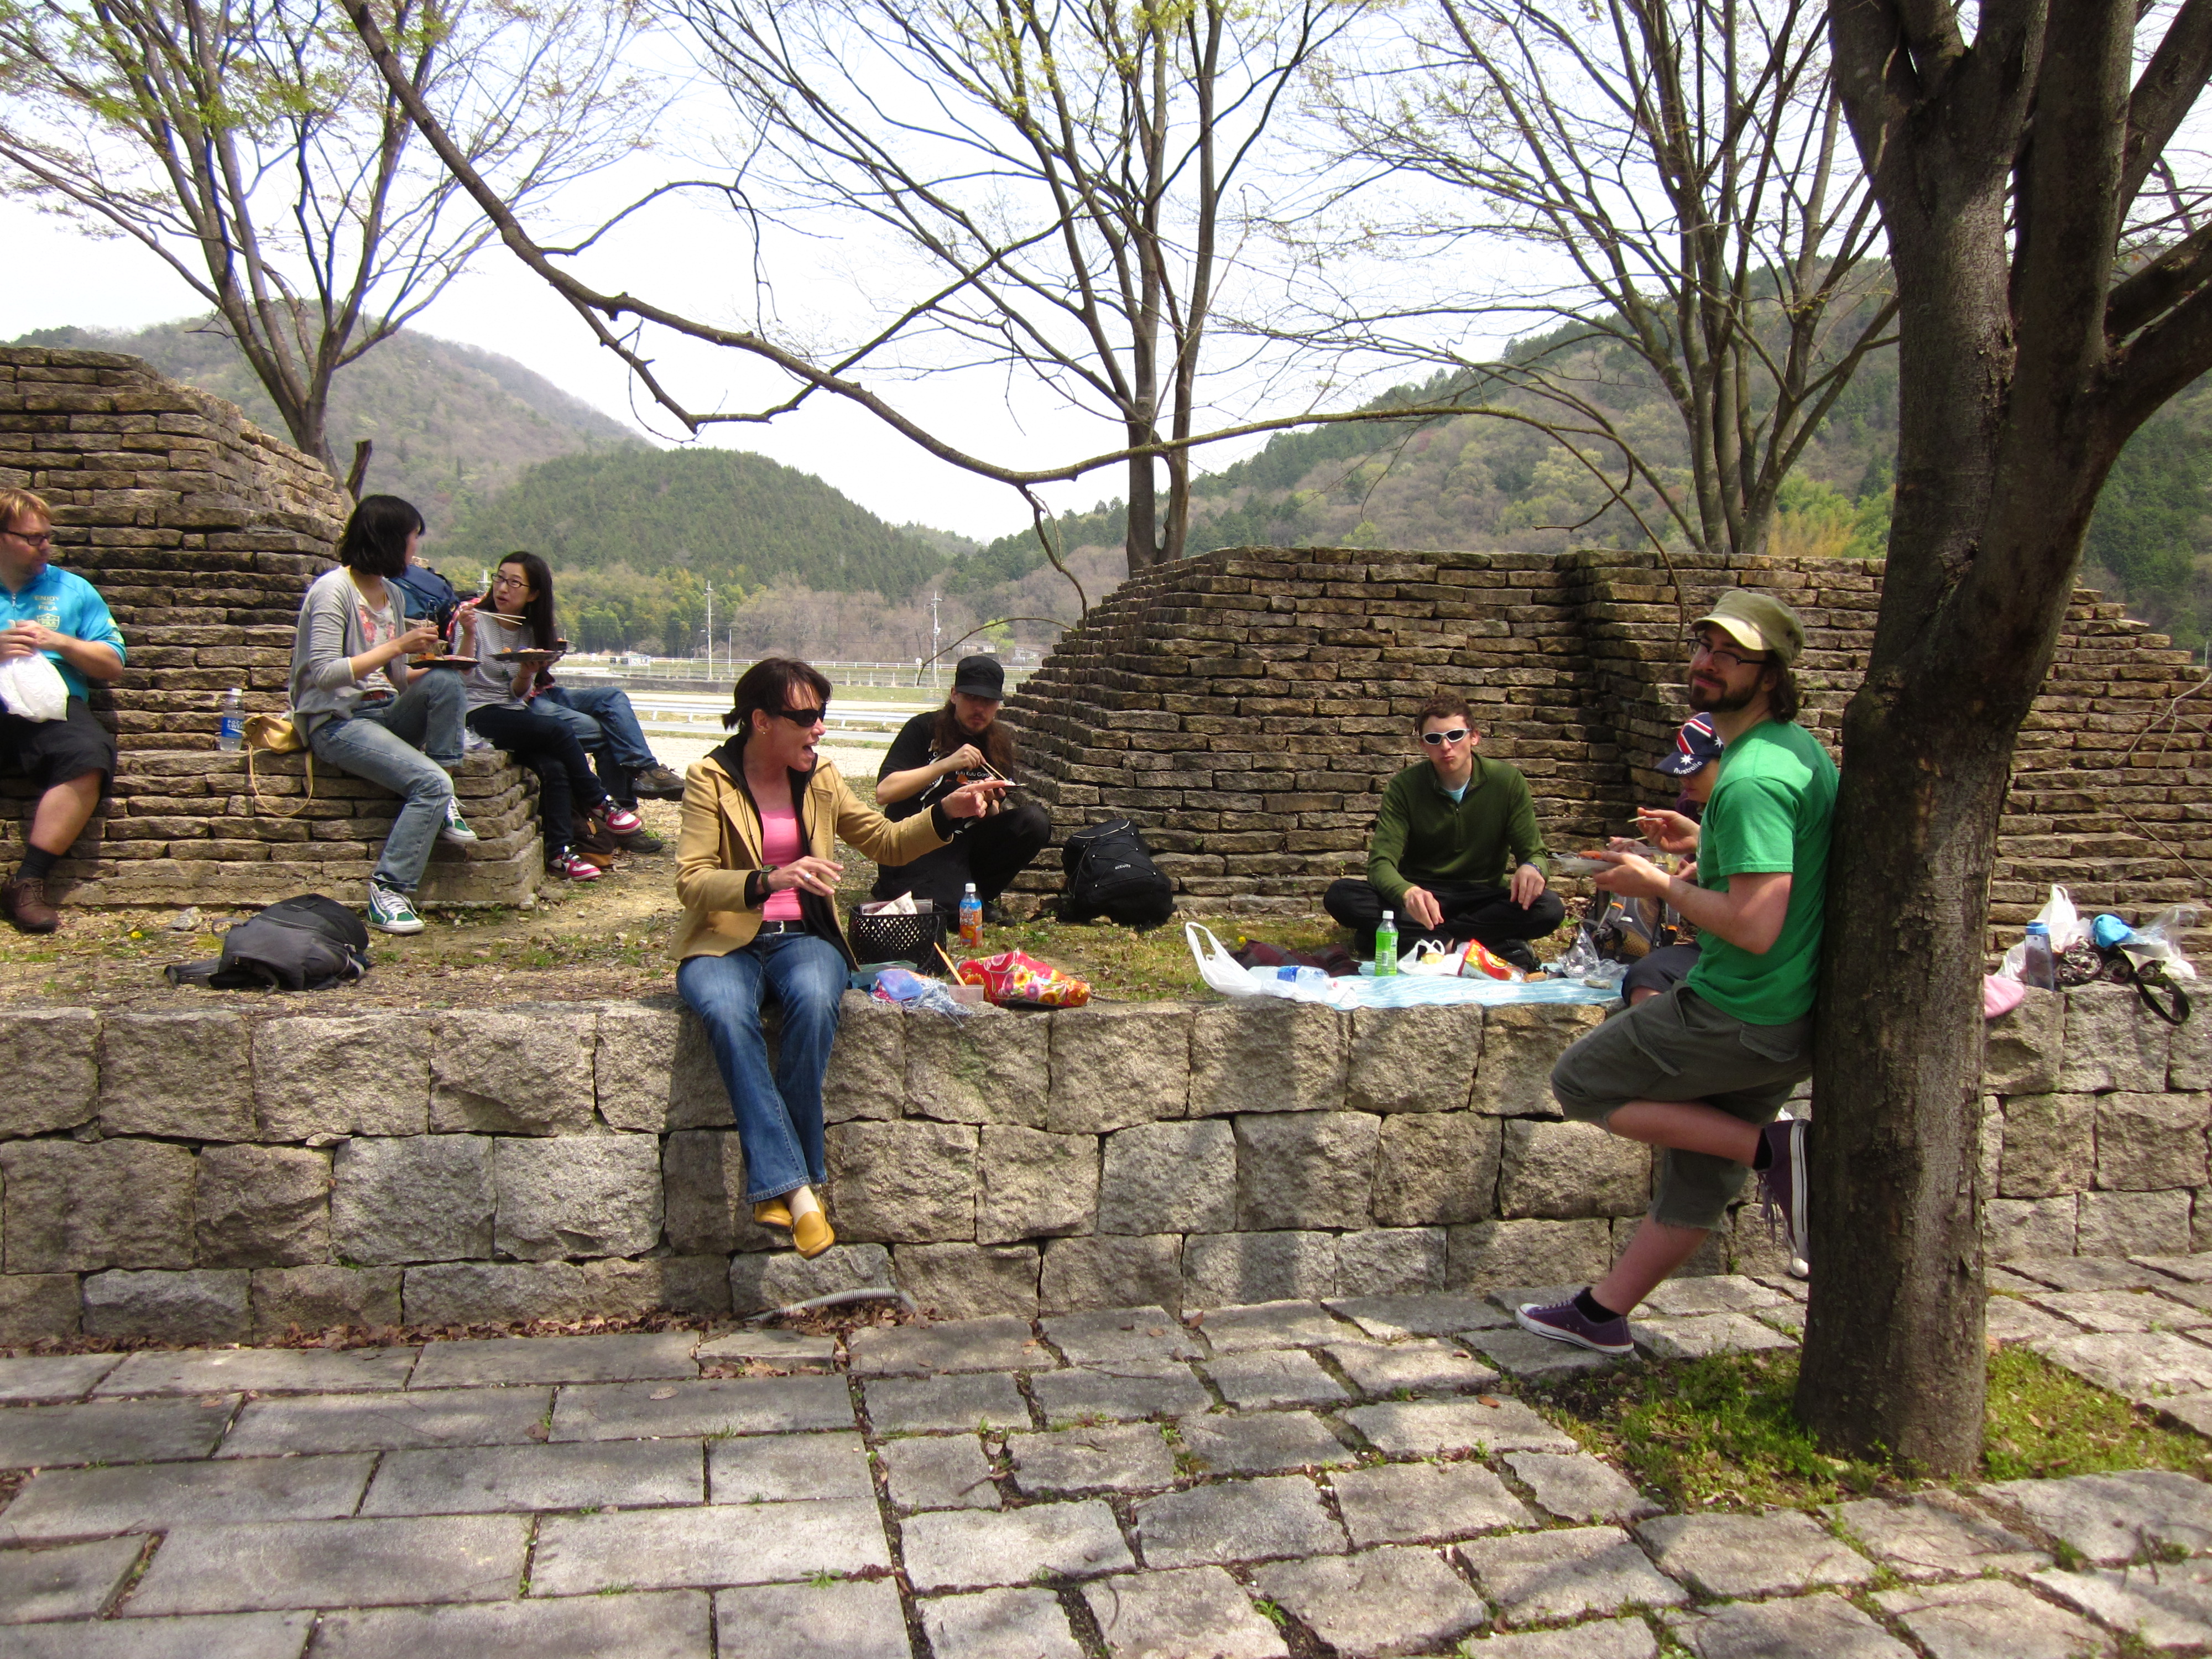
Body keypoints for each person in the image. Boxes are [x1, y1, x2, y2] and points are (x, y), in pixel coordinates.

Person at [1519, 591, 1835, 1357]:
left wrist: (1656, 884)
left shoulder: (1752, 780)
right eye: (1704, 646)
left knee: (1581, 1082)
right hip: (1789, 1014)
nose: (1707, 664)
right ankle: (1602, 1315)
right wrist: (1700, 843)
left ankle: (1778, 1150)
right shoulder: (1795, 750)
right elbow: (1783, 869)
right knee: (1699, 1179)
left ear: (1770, 674)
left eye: (1731, 655)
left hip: (1739, 1009)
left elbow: (1754, 926)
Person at [676, 658, 1007, 1258]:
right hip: (723, 941)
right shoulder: (711, 778)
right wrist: (768, 879)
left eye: (822, 715)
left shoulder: (822, 777)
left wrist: (947, 813)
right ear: (761, 721)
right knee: (725, 1012)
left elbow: (884, 840)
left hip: (805, 938)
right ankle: (801, 1191)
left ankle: (783, 1188)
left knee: (813, 999)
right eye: (805, 717)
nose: (820, 728)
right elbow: (692, 881)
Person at [289, 495, 478, 936]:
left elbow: (395, 678)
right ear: (390, 541)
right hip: (338, 721)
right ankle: (388, 889)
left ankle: (447, 791)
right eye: (412, 539)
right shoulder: (333, 591)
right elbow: (324, 674)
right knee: (430, 784)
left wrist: (437, 663)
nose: (415, 550)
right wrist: (397, 645)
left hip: (384, 710)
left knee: (446, 681)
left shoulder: (391, 593)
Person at [1322, 690, 1564, 971]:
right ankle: (1480, 943)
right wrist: (1407, 892)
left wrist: (1533, 868)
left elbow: (1534, 853)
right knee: (1341, 895)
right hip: (1423, 898)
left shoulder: (1507, 781)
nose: (1446, 746)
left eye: (1455, 735)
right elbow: (1381, 863)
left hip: (1481, 897)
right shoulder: (1405, 787)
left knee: (1549, 907)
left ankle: (1431, 941)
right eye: (1434, 739)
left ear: (1474, 737)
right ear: (1423, 745)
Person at [452, 553, 646, 881]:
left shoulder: (529, 631)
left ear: (533, 594)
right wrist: (468, 634)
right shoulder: (474, 620)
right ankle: (599, 801)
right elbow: (460, 679)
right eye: (500, 578)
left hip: (510, 711)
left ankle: (559, 853)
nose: (503, 588)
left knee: (554, 768)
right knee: (557, 729)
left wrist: (527, 672)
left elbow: (516, 694)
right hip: (474, 712)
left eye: (514, 583)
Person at [0, 489, 126, 933]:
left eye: (47, 537)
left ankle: (28, 882)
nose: (44, 547)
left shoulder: (72, 590)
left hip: (52, 705)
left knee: (88, 754)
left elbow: (113, 663)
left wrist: (62, 643)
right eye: (32, 538)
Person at [873, 654, 1051, 921]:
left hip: (964, 844)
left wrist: (989, 802)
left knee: (1034, 822)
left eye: (988, 702)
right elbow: (884, 792)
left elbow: (992, 816)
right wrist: (946, 764)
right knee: (947, 912)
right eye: (971, 698)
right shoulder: (922, 728)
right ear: (954, 695)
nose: (979, 709)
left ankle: (976, 895)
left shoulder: (998, 742)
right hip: (917, 840)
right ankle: (922, 891)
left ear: (998, 705)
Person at [1620, 713, 1722, 1005]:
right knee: (1643, 974)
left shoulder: (1748, 803)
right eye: (1681, 771)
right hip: (1716, 940)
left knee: (1650, 975)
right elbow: (1689, 871)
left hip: (1744, 950)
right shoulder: (1690, 804)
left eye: (1695, 771)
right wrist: (1651, 855)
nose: (1684, 779)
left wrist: (1660, 882)